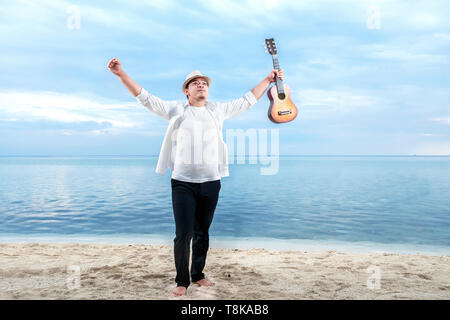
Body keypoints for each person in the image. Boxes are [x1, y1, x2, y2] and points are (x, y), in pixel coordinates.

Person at [107, 57, 284, 297]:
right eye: (195, 83)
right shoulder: (175, 110)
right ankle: (182, 280)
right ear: (186, 90)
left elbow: (247, 100)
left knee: (203, 232)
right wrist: (121, 74)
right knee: (184, 234)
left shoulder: (217, 110)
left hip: (211, 182)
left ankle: (197, 275)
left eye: (204, 83)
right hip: (183, 183)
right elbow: (144, 97)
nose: (201, 85)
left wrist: (268, 79)